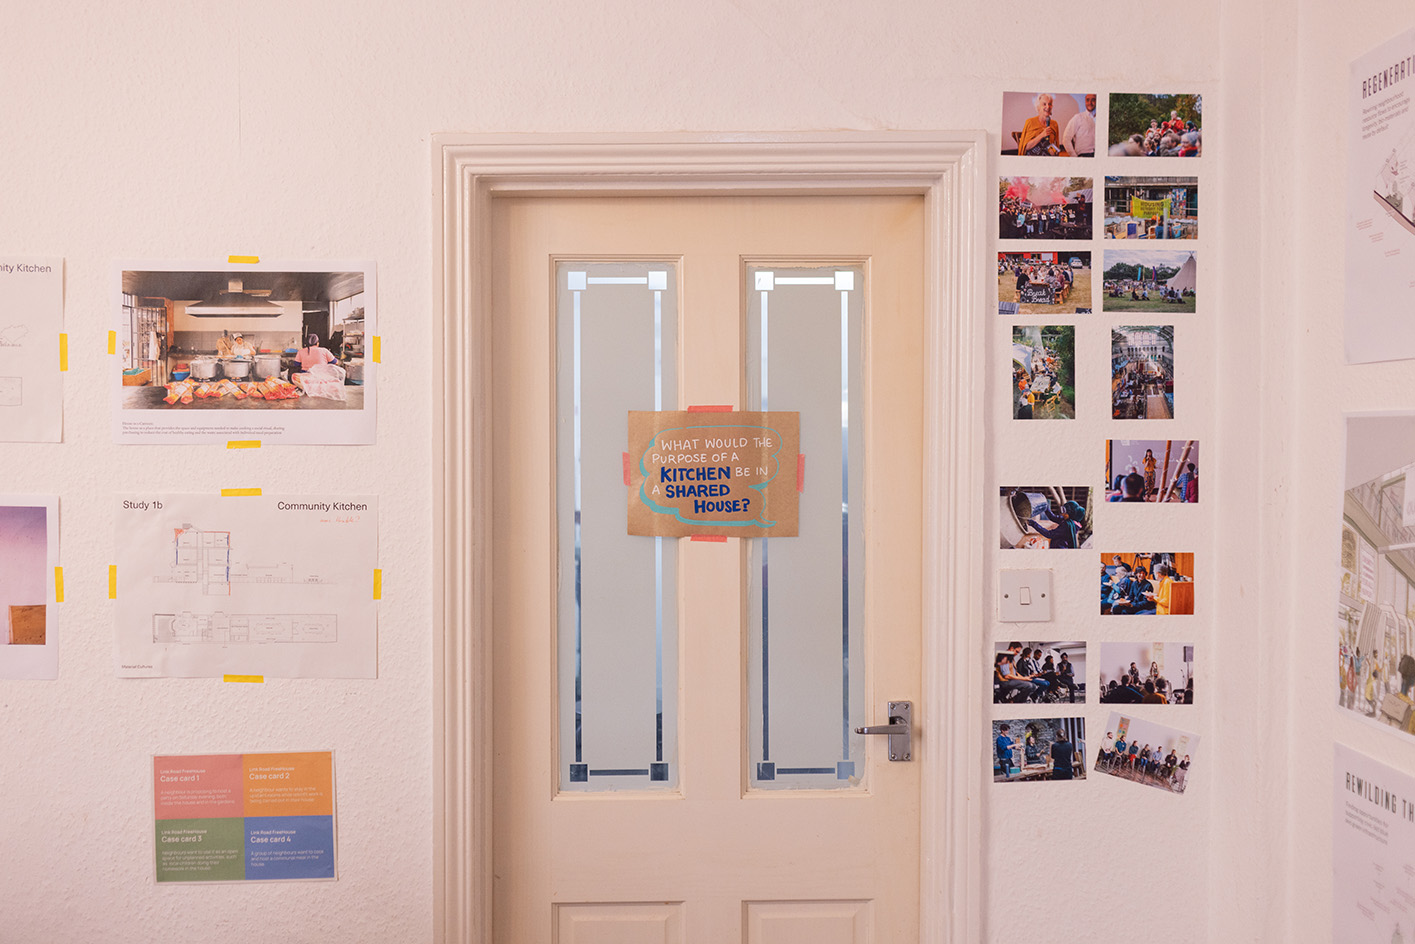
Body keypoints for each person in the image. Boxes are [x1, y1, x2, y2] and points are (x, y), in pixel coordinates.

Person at [1062, 93, 1096, 158]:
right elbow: (1066, 138)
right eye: (1088, 100)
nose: (1090, 103)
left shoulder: (1100, 118)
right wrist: (1074, 157)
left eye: (1093, 100)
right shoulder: (1078, 117)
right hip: (1083, 156)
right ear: (1085, 101)